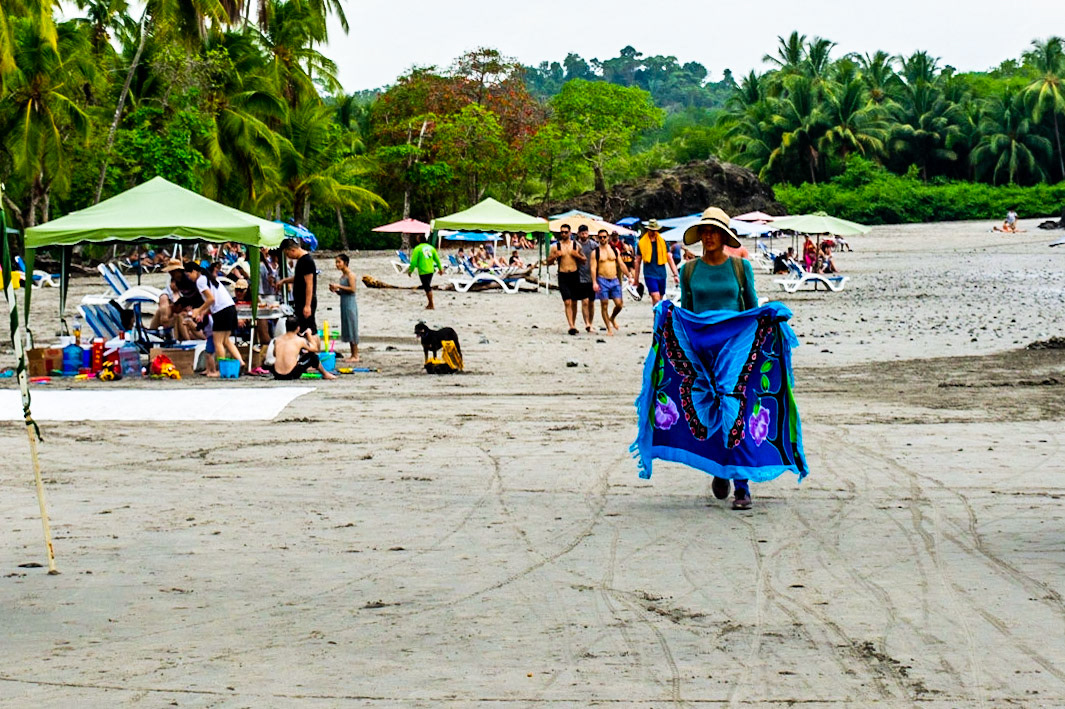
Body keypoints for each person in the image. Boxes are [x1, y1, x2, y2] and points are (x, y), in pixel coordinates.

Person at [679, 207, 759, 511]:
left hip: (735, 352)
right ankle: (718, 467)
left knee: (733, 412)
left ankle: (742, 487)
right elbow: (686, 313)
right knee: (711, 414)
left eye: (714, 231)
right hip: (702, 353)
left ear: (725, 236)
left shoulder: (740, 268)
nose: (709, 236)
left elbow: (751, 309)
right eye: (705, 231)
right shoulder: (689, 270)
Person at [186, 261, 245, 375]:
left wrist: (198, 310)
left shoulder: (200, 281)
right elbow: (214, 300)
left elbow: (211, 299)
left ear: (194, 271)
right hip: (230, 308)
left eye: (189, 275)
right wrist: (203, 313)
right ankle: (240, 361)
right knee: (226, 340)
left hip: (221, 311)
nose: (189, 278)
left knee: (217, 342)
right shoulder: (208, 278)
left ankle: (220, 370)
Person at [277, 237, 319, 343]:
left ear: (292, 250)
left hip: (306, 300)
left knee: (309, 328)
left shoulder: (307, 261)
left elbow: (309, 284)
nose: (288, 257)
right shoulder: (301, 261)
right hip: (300, 300)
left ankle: (314, 350)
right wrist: (284, 281)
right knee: (303, 326)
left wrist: (307, 305)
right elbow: (299, 278)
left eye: (287, 254)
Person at [546, 224, 586, 335]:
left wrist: (576, 255)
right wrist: (554, 256)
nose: (564, 234)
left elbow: (584, 260)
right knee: (567, 301)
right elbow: (548, 262)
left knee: (574, 301)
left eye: (566, 232)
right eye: (562, 232)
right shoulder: (556, 247)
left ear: (570, 233)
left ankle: (573, 323)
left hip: (574, 274)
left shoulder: (576, 246)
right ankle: (571, 326)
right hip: (563, 275)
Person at [590, 229, 631, 335]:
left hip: (614, 279)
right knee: (604, 304)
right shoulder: (596, 252)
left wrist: (629, 276)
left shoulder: (614, 250)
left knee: (619, 304)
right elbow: (593, 268)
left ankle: (612, 318)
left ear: (608, 237)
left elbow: (621, 264)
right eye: (600, 237)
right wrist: (594, 282)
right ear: (598, 238)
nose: (602, 239)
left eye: (604, 237)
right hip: (602, 279)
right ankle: (609, 328)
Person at [271, 317, 336, 380]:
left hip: (277, 374)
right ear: (298, 328)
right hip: (290, 374)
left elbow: (274, 354)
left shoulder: (278, 339)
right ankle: (325, 374)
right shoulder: (299, 340)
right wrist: (309, 335)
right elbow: (315, 349)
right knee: (312, 356)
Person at [634, 219, 680, 304]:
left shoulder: (663, 242)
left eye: (655, 230)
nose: (654, 232)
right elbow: (638, 261)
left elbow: (669, 258)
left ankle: (657, 317)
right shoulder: (642, 243)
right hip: (649, 274)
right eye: (652, 230)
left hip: (662, 274)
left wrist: (675, 274)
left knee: (659, 301)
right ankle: (657, 316)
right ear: (648, 230)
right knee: (656, 297)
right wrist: (636, 279)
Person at [329, 253, 360, 362]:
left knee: (352, 327)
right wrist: (336, 290)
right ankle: (352, 354)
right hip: (344, 302)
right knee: (347, 326)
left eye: (339, 262)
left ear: (345, 263)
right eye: (336, 262)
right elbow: (344, 292)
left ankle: (356, 355)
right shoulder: (343, 276)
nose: (337, 264)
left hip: (350, 303)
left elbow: (352, 289)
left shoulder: (351, 275)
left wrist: (339, 286)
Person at [407, 234, 444, 310]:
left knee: (427, 288)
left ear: (419, 240)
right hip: (431, 270)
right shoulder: (431, 248)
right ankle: (429, 304)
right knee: (427, 287)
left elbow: (413, 262)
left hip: (423, 271)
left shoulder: (417, 249)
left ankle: (431, 304)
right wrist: (440, 268)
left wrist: (411, 270)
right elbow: (437, 259)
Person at [575, 225, 597, 331]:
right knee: (584, 301)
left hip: (592, 277)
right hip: (580, 276)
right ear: (579, 234)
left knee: (591, 302)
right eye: (582, 233)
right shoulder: (576, 245)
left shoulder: (593, 245)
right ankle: (587, 323)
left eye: (586, 233)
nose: (584, 235)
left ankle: (591, 322)